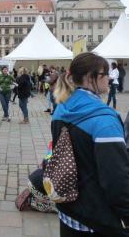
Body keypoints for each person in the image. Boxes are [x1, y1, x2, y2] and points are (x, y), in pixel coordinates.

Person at [52, 52, 129, 237]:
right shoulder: (104, 120)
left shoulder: (62, 107)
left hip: (68, 210)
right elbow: (116, 178)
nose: (109, 78)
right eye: (105, 74)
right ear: (89, 77)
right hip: (97, 219)